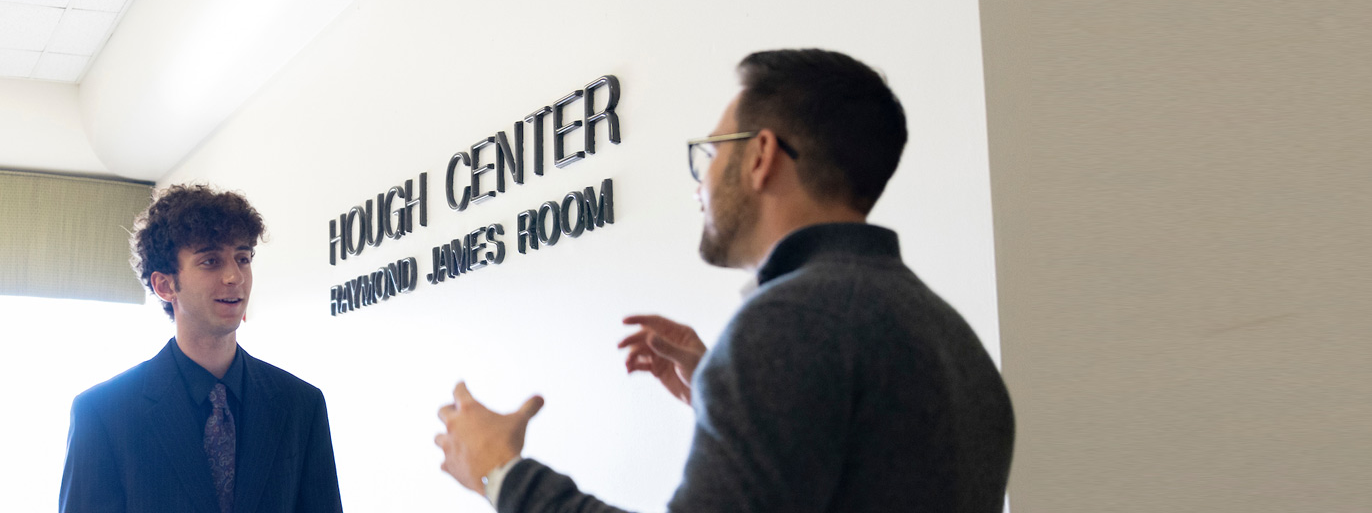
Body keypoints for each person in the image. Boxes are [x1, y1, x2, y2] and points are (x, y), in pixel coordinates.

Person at [434, 49, 1016, 512]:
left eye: (710, 153)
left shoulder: (791, 322)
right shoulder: (950, 338)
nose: (700, 184)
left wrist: (501, 474)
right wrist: (720, 389)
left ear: (761, 156)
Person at [60, 184, 343, 513]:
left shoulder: (300, 405)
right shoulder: (104, 412)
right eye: (210, 261)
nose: (234, 276)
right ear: (165, 285)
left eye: (243, 258)